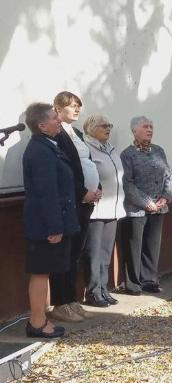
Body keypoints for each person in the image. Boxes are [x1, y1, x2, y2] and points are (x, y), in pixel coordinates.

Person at [21, 102, 79, 338]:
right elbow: (47, 193)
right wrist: (55, 227)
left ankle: (40, 320)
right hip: (46, 225)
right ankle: (36, 323)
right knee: (40, 272)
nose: (60, 121)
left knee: (44, 271)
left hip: (52, 221)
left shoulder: (49, 146)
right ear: (41, 125)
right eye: (55, 118)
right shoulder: (41, 150)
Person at [49, 91, 101, 322]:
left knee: (76, 253)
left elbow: (87, 163)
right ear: (57, 110)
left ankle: (71, 300)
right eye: (71, 106)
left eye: (79, 106)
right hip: (73, 201)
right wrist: (83, 192)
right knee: (65, 255)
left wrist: (96, 188)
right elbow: (66, 170)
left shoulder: (77, 133)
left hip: (87, 201)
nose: (77, 110)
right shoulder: (57, 133)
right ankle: (61, 303)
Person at [121, 116, 172, 295]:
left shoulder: (159, 150)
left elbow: (168, 175)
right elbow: (127, 183)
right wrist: (146, 202)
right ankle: (133, 283)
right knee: (135, 246)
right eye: (146, 127)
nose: (150, 130)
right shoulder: (127, 154)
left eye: (151, 126)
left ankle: (150, 280)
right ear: (135, 130)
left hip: (159, 207)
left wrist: (165, 198)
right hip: (137, 208)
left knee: (153, 245)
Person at [84, 114, 125, 307]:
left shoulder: (110, 149)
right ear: (91, 128)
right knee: (94, 254)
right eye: (104, 126)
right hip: (97, 210)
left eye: (110, 125)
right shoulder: (87, 148)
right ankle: (93, 292)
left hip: (114, 208)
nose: (108, 129)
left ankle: (103, 288)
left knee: (106, 253)